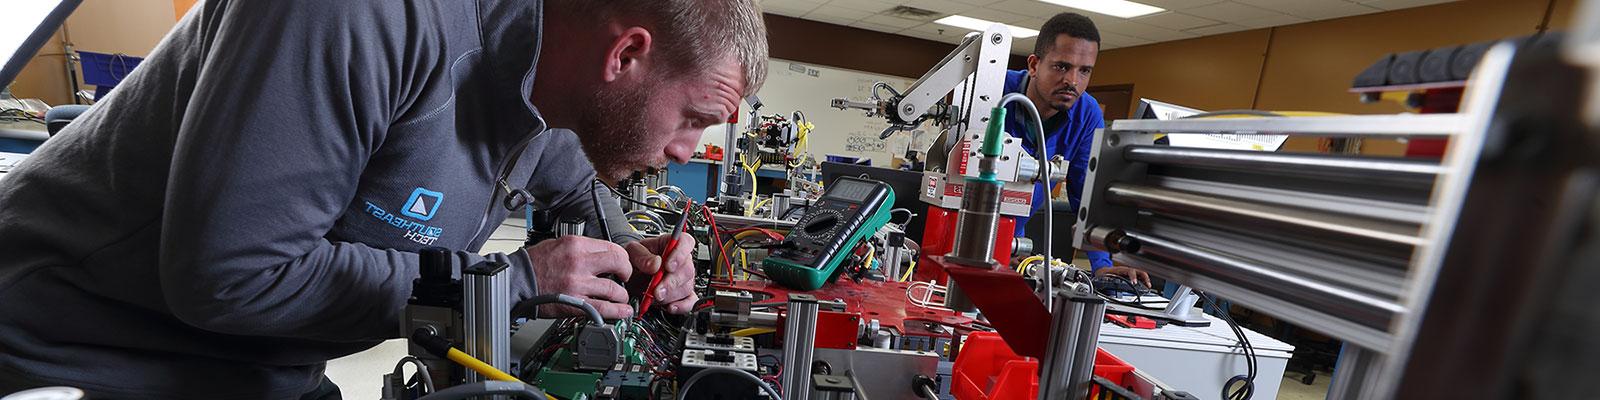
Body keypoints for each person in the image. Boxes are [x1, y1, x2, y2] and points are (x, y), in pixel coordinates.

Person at [0, 0, 767, 398]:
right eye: (695, 119)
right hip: (77, 353)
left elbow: (577, 189)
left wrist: (635, 253)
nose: (686, 151)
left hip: (259, 370)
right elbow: (230, 275)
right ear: (625, 54)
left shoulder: (555, 88)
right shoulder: (361, 15)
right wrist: (517, 282)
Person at [1003, 13, 1149, 287]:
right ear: (1034, 65)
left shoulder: (1086, 112)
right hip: (959, 229)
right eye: (1061, 67)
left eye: (1084, 71)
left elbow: (1085, 191)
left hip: (1013, 244)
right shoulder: (993, 89)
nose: (1073, 80)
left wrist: (1102, 267)